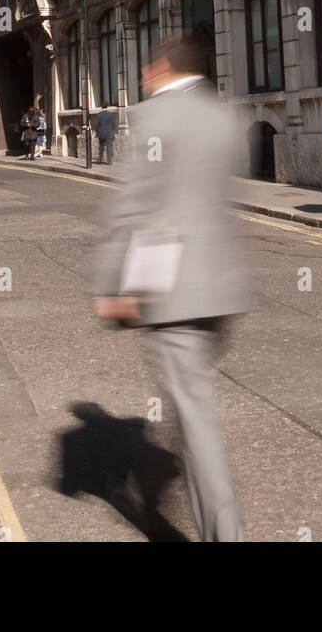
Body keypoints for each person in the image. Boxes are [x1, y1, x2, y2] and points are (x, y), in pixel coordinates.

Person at [92, 33, 249, 543]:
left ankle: (225, 535)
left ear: (161, 68)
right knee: (187, 401)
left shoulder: (157, 117)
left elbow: (133, 206)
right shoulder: (225, 115)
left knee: (196, 416)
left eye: (147, 69)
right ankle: (139, 491)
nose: (143, 77)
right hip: (223, 284)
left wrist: (113, 284)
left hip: (172, 287)